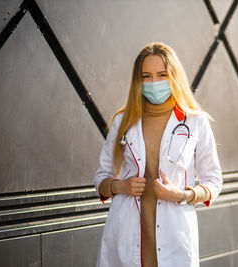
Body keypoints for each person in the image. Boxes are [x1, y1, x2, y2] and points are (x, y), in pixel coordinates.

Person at [94, 42, 222, 267]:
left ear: (174, 76)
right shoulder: (123, 121)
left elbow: (213, 181)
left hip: (175, 236)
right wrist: (120, 186)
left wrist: (182, 195)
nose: (154, 82)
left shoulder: (195, 122)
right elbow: (101, 178)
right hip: (126, 233)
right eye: (147, 76)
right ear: (138, 81)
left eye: (162, 75)